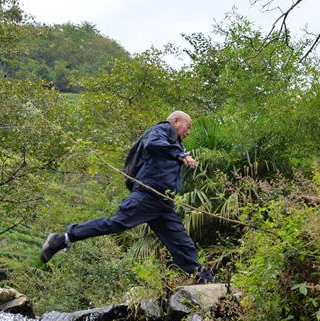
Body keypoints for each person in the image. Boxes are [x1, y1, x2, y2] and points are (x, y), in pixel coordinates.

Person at [41, 110, 213, 283]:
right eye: (188, 126)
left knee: (180, 241)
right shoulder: (163, 129)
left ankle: (202, 278)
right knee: (115, 223)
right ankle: (61, 239)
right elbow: (152, 143)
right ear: (176, 121)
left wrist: (179, 153)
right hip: (148, 197)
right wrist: (180, 154)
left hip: (163, 204)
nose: (188, 132)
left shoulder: (175, 143)